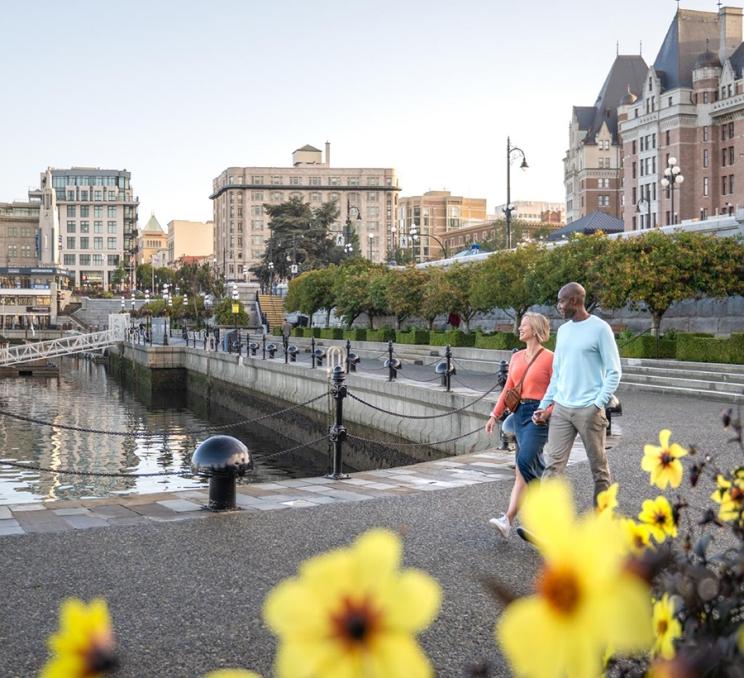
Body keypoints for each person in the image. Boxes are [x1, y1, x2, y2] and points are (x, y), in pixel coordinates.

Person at [531, 281, 622, 505]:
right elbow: (557, 374)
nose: (558, 306)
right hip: (561, 409)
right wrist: (544, 405)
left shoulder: (600, 329)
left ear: (574, 300)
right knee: (552, 466)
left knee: (598, 468)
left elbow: (614, 372)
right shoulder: (563, 331)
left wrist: (596, 405)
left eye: (561, 301)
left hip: (589, 410)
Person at [485, 312, 553, 539]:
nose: (519, 329)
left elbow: (559, 390)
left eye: (524, 325)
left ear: (535, 329)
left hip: (538, 415)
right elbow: (508, 389)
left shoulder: (551, 358)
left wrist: (548, 412)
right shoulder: (516, 357)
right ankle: (508, 520)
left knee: (525, 462)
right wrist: (494, 415)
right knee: (521, 472)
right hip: (519, 412)